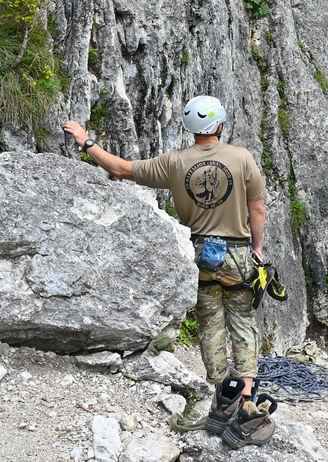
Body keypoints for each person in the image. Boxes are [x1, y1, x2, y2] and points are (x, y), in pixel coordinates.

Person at [63, 95, 275, 448]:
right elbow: (258, 208)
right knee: (242, 322)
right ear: (220, 125)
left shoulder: (175, 162)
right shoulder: (241, 158)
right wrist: (257, 248)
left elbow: (120, 169)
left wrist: (86, 140)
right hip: (237, 254)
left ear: (190, 128)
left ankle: (222, 396)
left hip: (200, 255)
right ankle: (246, 400)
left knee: (210, 321)